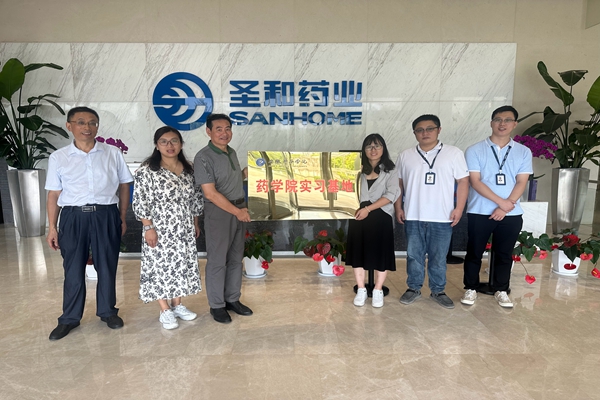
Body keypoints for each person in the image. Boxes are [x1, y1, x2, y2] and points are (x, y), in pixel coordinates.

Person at [45, 106, 133, 340]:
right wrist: (52, 227)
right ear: (69, 126)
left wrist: (122, 216)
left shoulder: (112, 153)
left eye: (92, 122)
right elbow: (54, 194)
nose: (87, 127)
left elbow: (124, 184)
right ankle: (69, 318)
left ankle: (108, 311)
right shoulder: (59, 157)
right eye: (81, 122)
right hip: (73, 217)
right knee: (73, 268)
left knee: (107, 265)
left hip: (106, 214)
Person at [395, 114, 469, 309]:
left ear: (439, 130)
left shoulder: (453, 153)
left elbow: (463, 181)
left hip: (442, 216)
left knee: (438, 257)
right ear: (414, 133)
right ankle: (413, 288)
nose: (425, 133)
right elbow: (398, 184)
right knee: (414, 256)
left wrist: (459, 208)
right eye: (420, 130)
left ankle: (438, 290)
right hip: (413, 215)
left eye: (430, 128)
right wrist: (398, 207)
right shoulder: (405, 155)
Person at [461, 105, 532, 308]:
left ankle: (501, 289)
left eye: (507, 120)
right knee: (474, 252)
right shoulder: (475, 150)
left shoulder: (523, 152)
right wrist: (501, 203)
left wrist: (505, 207)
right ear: (491, 123)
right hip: (480, 210)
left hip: (511, 213)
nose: (502, 124)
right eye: (498, 119)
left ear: (514, 124)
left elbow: (521, 181)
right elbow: (475, 181)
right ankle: (471, 287)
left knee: (504, 253)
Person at [132, 126, 203, 330]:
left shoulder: (189, 169)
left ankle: (177, 304)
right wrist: (148, 227)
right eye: (164, 141)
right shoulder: (147, 170)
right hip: (159, 227)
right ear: (157, 145)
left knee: (181, 264)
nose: (169, 145)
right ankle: (164, 309)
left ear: (181, 144)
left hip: (184, 227)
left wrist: (195, 223)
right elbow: (141, 201)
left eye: (174, 141)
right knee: (159, 266)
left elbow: (195, 199)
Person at [193, 113, 252, 323]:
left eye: (227, 128)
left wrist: (245, 173)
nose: (224, 133)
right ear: (208, 131)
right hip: (220, 212)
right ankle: (217, 305)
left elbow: (230, 179)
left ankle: (232, 299)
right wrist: (237, 212)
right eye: (219, 129)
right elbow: (210, 193)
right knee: (218, 260)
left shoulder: (231, 152)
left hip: (239, 209)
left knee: (235, 258)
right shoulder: (203, 157)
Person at [345, 134, 401, 308]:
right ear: (364, 150)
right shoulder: (356, 168)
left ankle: (377, 289)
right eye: (369, 146)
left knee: (380, 254)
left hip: (380, 216)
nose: (373, 150)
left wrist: (368, 209)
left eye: (377, 146)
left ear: (383, 148)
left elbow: (391, 194)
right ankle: (361, 289)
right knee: (358, 253)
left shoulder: (391, 170)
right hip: (357, 216)